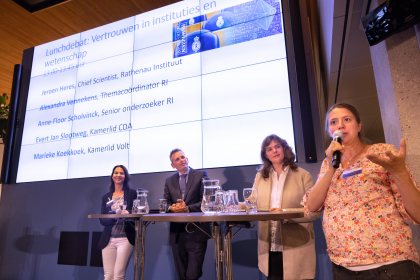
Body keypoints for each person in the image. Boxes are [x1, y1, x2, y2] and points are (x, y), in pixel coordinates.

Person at [304, 103, 420, 279]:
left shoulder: (382, 152)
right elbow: (311, 206)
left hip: (390, 267)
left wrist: (399, 171)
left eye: (347, 119)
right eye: (333, 122)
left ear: (359, 126)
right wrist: (331, 168)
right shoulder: (329, 163)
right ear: (329, 131)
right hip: (343, 268)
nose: (340, 125)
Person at [251, 134, 318, 280]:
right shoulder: (260, 176)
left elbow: (314, 211)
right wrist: (236, 205)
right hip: (270, 245)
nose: (274, 151)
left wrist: (285, 214)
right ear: (265, 155)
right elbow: (252, 202)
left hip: (296, 244)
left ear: (284, 149)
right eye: (269, 149)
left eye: (277, 147)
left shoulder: (303, 175)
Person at [164, 148, 210, 280]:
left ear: (187, 159)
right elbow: (165, 204)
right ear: (173, 165)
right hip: (177, 233)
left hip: (196, 231)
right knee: (182, 274)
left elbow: (206, 201)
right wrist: (173, 208)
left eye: (183, 157)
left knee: (192, 275)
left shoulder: (201, 175)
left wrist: (187, 209)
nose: (181, 160)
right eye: (177, 159)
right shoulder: (169, 181)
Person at [98, 165, 137, 280]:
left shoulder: (132, 194)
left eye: (121, 173)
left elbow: (137, 213)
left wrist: (127, 213)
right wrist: (114, 217)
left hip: (125, 238)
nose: (118, 175)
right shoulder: (106, 197)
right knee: (108, 275)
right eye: (116, 173)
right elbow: (102, 220)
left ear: (125, 176)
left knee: (118, 275)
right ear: (112, 176)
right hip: (108, 239)